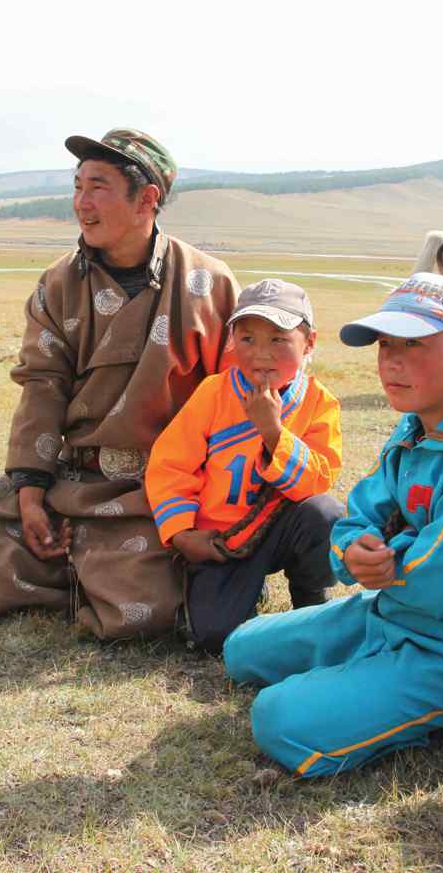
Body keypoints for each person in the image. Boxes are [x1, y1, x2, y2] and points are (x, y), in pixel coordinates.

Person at [223, 274, 443, 777]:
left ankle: (424, 707)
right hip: (387, 613)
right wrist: (352, 550)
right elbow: (361, 513)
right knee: (242, 649)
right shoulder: (417, 426)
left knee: (277, 718)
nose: (392, 362)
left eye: (414, 346)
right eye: (386, 346)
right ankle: (369, 682)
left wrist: (376, 556)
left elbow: (440, 582)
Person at [0, 129, 239, 639]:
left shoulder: (208, 284)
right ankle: (85, 565)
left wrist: (207, 505)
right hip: (75, 480)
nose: (81, 203)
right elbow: (41, 386)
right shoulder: (58, 284)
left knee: (144, 612)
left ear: (147, 199)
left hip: (162, 488)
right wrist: (31, 490)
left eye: (98, 188)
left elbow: (233, 399)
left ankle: (107, 574)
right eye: (77, 186)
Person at [145, 278, 342, 654]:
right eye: (247, 339)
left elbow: (317, 481)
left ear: (310, 343)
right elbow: (171, 466)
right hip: (220, 541)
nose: (261, 354)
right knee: (213, 639)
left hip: (284, 530)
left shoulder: (320, 403)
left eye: (278, 340)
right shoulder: (213, 394)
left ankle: (310, 596)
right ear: (232, 341)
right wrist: (183, 534)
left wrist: (273, 433)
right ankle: (243, 590)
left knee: (325, 513)